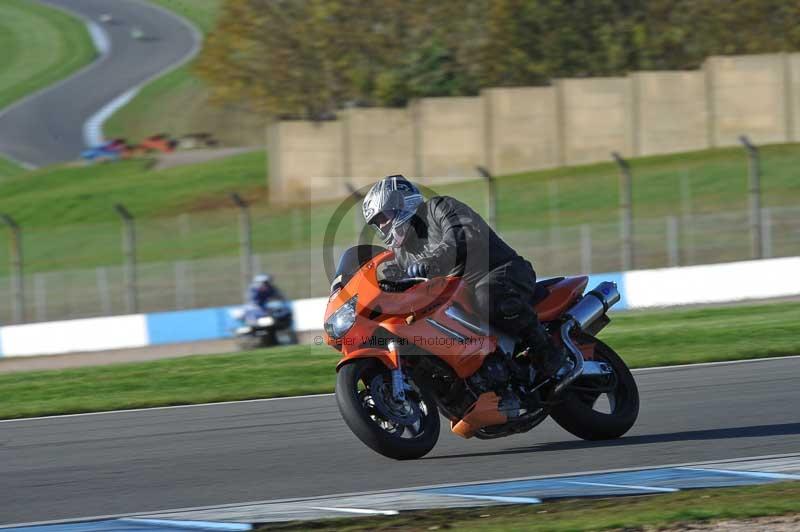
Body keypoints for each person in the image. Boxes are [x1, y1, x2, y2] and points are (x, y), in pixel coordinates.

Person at [362, 174, 565, 379]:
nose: (383, 226)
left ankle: (545, 349)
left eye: (383, 217)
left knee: (488, 297)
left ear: (402, 203)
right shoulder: (402, 253)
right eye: (377, 223)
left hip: (500, 270)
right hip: (458, 295)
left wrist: (432, 261)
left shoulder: (437, 208)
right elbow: (394, 277)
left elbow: (463, 234)